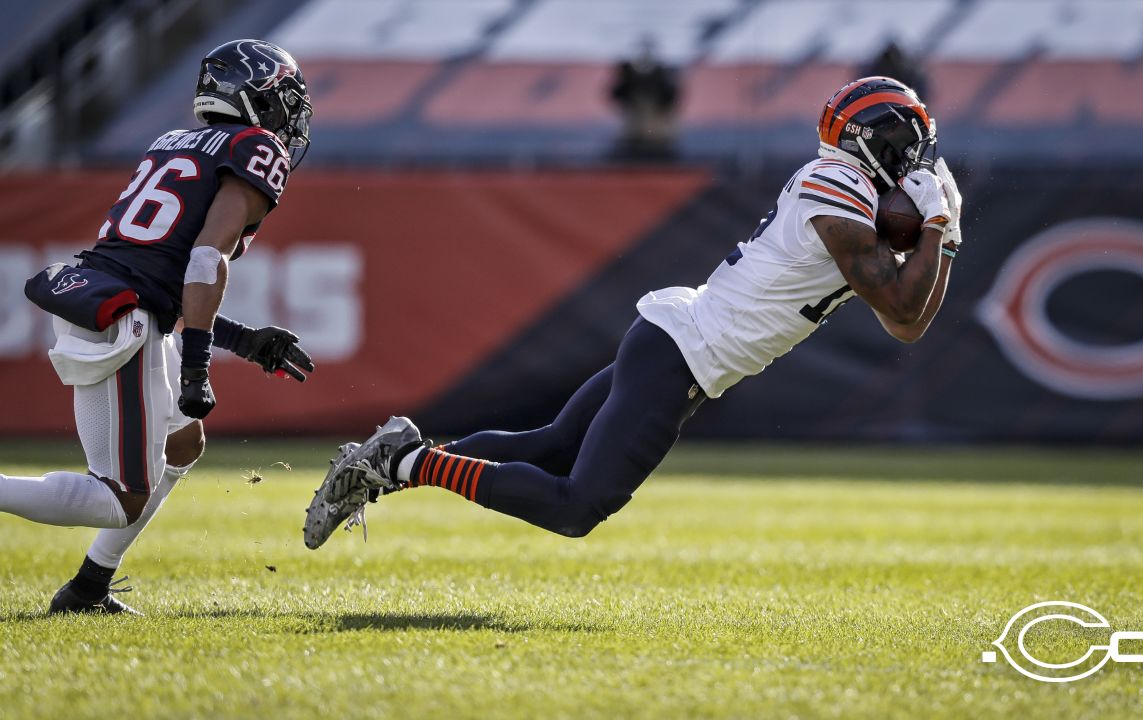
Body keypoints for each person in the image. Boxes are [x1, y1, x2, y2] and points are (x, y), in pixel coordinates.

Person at [303, 77, 963, 549]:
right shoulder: (839, 187)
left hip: (680, 342)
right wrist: (938, 225)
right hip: (683, 351)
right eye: (912, 140)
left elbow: (908, 315)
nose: (920, 155)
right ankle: (403, 463)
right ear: (882, 141)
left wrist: (940, 233)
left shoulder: (842, 185)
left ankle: (392, 461)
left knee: (549, 446)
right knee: (576, 508)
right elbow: (905, 315)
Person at [0, 39, 317, 614]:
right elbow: (203, 261)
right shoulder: (258, 146)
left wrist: (241, 341)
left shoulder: (175, 143)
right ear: (259, 99)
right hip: (126, 321)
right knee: (119, 498)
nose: (290, 115)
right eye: (285, 99)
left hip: (117, 301)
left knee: (181, 442)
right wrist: (197, 367)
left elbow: (168, 278)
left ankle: (89, 586)